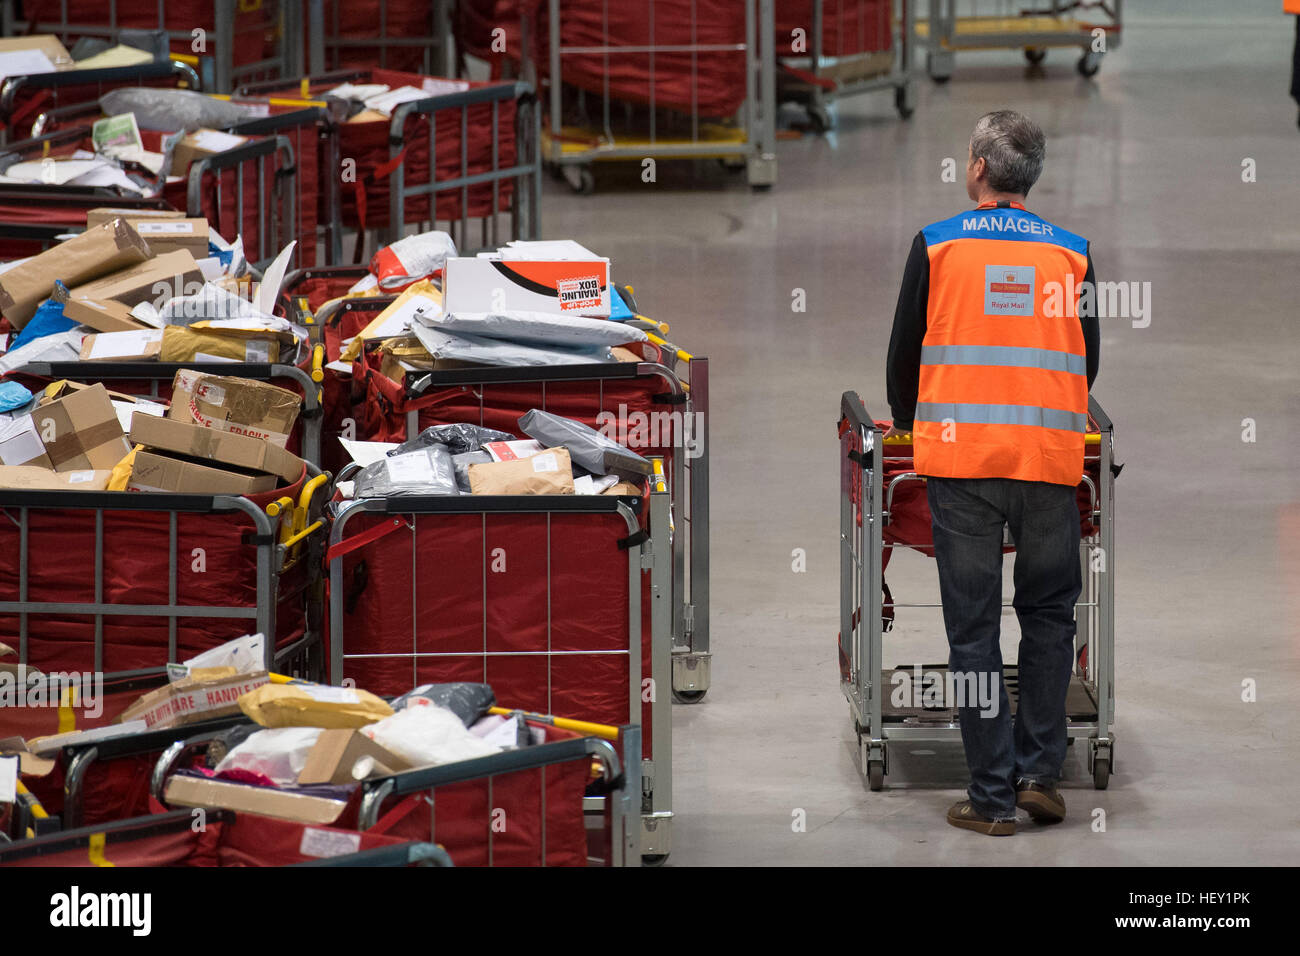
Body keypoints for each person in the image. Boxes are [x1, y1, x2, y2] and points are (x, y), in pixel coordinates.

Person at [885, 110, 1100, 836]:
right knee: (1047, 617)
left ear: (978, 167)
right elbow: (1088, 357)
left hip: (962, 461)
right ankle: (1042, 774)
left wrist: (913, 425)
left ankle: (991, 797)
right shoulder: (1072, 255)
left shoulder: (937, 245)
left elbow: (903, 354)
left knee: (973, 632)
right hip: (1047, 461)